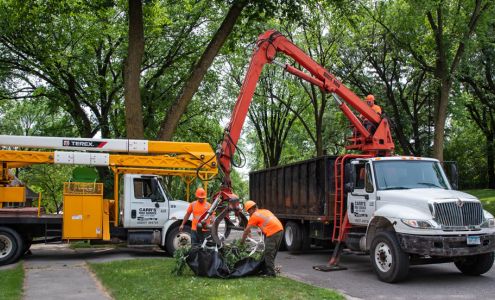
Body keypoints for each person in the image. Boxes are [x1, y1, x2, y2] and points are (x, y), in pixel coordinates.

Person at [241, 200, 283, 277]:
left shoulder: (254, 215)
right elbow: (267, 223)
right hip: (280, 230)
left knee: (268, 253)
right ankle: (266, 270)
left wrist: (242, 242)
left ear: (251, 209)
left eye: (248, 212)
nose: (249, 214)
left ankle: (271, 274)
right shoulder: (264, 211)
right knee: (271, 252)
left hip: (273, 232)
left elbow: (246, 230)